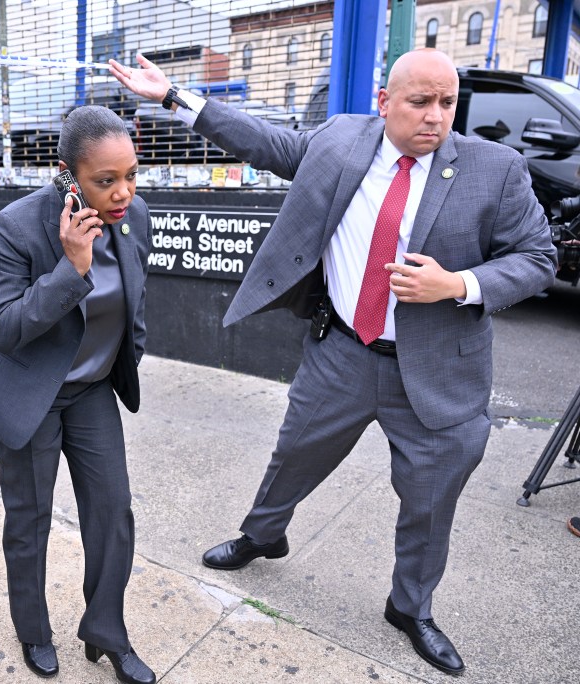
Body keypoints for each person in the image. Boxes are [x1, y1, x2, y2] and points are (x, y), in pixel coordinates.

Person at [110, 48, 556, 676]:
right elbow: (267, 143)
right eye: (419, 102)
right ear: (383, 101)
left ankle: (410, 608)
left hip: (437, 372)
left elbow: (538, 258)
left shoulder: (496, 170)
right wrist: (172, 98)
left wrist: (457, 284)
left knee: (431, 500)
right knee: (294, 452)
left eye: (447, 103)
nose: (435, 117)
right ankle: (264, 535)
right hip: (342, 351)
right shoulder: (344, 139)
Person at [0, 106, 155, 684]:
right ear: (66, 173)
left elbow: (135, 300)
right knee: (30, 518)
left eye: (131, 175)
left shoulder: (133, 215)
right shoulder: (15, 227)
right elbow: (3, 327)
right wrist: (71, 268)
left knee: (112, 512)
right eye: (106, 180)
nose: (123, 193)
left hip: (91, 389)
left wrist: (127, 358)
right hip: (29, 392)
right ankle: (33, 630)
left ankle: (106, 632)